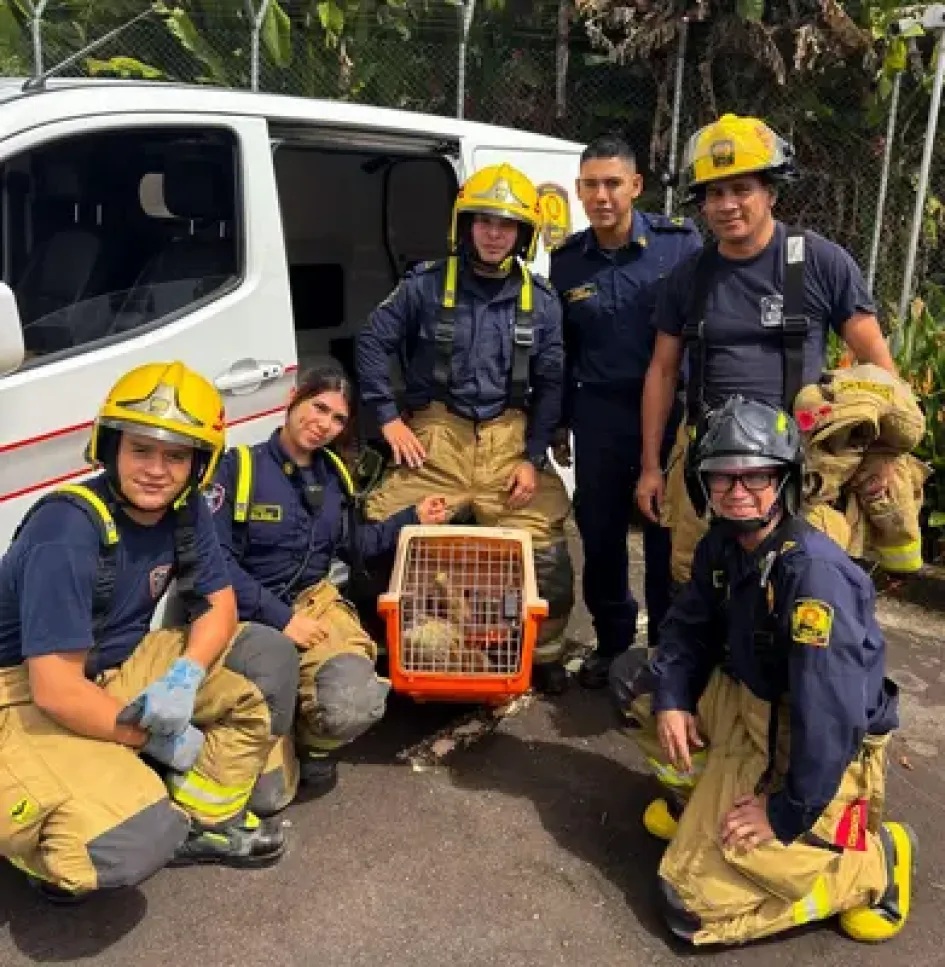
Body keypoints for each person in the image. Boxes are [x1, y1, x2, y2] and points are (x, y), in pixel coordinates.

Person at [616, 396, 915, 947]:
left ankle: (868, 865)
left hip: (813, 744)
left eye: (755, 477)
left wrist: (783, 813)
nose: (737, 493)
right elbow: (688, 628)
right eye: (722, 478)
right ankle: (701, 797)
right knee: (638, 683)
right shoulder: (721, 544)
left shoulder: (813, 579)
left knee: (691, 910)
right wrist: (674, 699)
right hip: (750, 708)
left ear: (785, 482)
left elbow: (828, 720)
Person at [0, 361, 300, 904]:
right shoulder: (67, 532)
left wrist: (187, 674)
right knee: (127, 842)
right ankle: (49, 845)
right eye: (141, 450)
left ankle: (199, 817)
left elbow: (220, 605)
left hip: (111, 667)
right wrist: (152, 738)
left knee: (266, 659)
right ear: (111, 448)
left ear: (197, 465)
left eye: (176, 455)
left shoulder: (184, 511)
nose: (157, 470)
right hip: (21, 692)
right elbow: (53, 690)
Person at [635, 113, 898, 584]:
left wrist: (879, 455)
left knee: (801, 585)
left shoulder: (820, 262)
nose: (727, 204)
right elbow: (661, 371)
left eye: (742, 189)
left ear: (771, 192)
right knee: (695, 581)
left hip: (795, 460)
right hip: (706, 456)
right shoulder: (689, 277)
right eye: (715, 193)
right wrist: (651, 467)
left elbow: (878, 367)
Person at [356, 162, 575, 694]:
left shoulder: (542, 301)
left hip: (509, 440)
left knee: (545, 540)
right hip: (437, 433)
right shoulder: (425, 286)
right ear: (464, 226)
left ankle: (541, 651)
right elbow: (371, 342)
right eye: (483, 222)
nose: (495, 233)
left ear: (524, 234)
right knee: (380, 521)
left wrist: (533, 456)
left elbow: (551, 386)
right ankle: (384, 645)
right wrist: (388, 419)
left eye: (507, 224)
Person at [207, 358, 448, 806]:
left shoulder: (334, 477)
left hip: (315, 605)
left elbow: (357, 546)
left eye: (337, 418)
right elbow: (214, 566)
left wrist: (412, 517)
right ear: (291, 400)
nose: (324, 425)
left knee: (356, 704)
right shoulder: (236, 469)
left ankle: (313, 744)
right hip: (243, 616)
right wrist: (281, 619)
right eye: (318, 408)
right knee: (268, 797)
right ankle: (275, 735)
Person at [549, 134, 702, 688]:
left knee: (666, 535)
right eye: (591, 185)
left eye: (613, 183)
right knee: (600, 531)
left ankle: (665, 647)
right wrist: (562, 420)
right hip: (600, 416)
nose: (602, 195)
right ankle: (613, 643)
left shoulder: (678, 247)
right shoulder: (566, 263)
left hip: (670, 414)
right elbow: (560, 349)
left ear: (636, 186)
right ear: (579, 191)